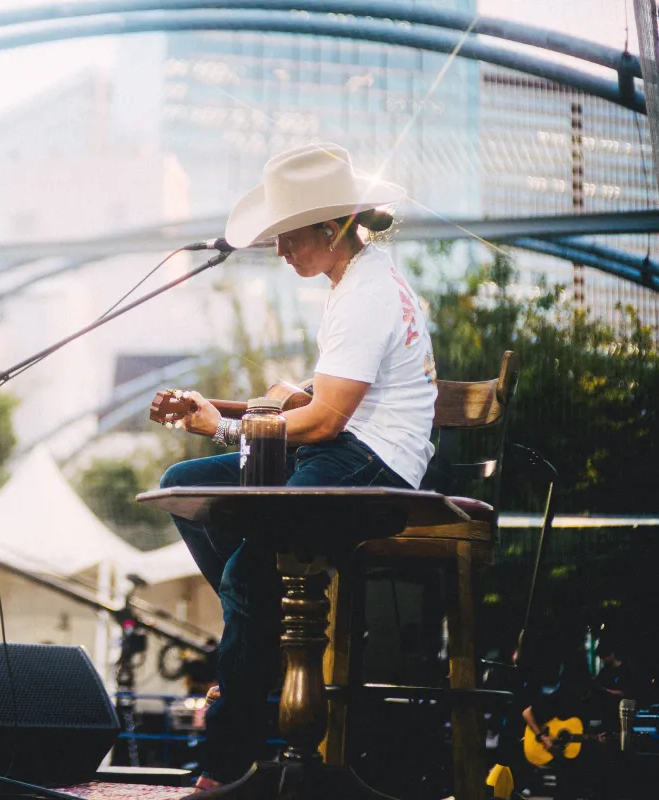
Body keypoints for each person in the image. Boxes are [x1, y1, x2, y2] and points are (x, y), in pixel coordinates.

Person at [159, 142, 436, 791]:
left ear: (332, 227)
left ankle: (227, 763)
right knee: (183, 488)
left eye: (288, 236)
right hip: (343, 452)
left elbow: (327, 420)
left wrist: (223, 426)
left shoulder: (366, 294)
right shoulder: (358, 280)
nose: (279, 250)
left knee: (248, 575)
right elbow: (320, 408)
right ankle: (263, 624)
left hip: (371, 466)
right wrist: (224, 408)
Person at [523, 656, 619, 800]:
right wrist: (542, 736)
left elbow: (613, 730)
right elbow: (527, 713)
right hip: (568, 768)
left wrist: (607, 740)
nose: (574, 690)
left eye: (576, 686)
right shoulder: (563, 695)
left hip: (595, 763)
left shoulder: (602, 698)